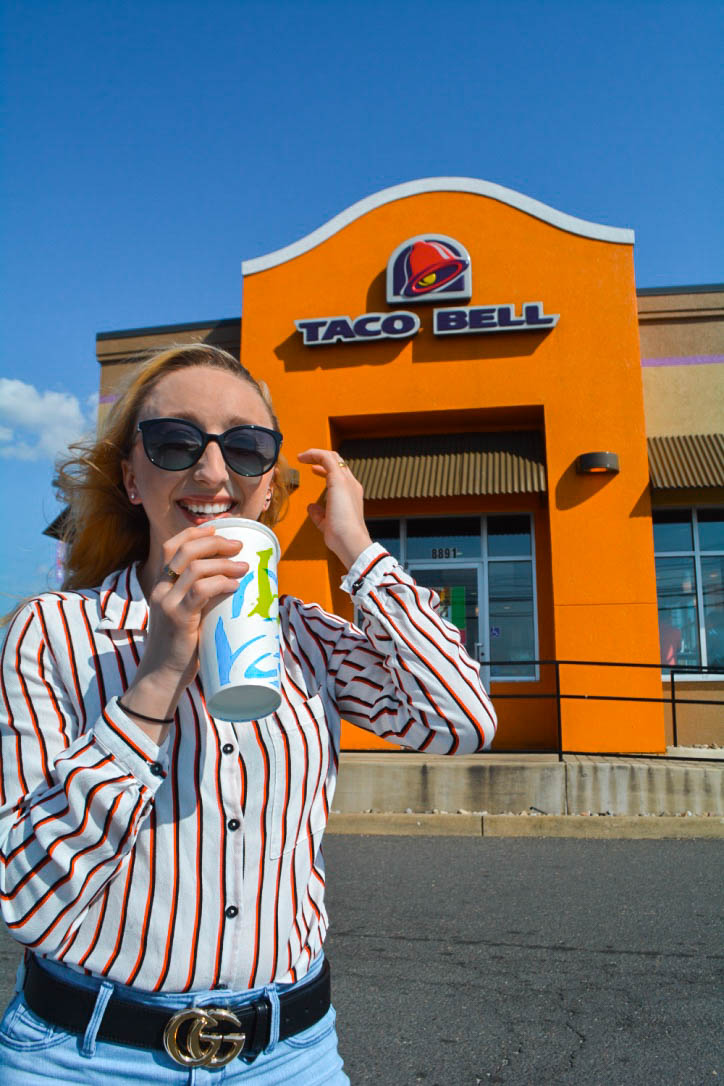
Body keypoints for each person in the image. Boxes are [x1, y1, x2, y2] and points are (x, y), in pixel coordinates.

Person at [0, 344, 497, 1084]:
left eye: (246, 446)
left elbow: (459, 721)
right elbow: (27, 898)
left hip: (288, 1056)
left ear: (266, 486)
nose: (211, 471)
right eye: (175, 441)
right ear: (131, 477)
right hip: (85, 1057)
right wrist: (157, 677)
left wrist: (357, 549)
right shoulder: (54, 633)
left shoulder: (308, 637)